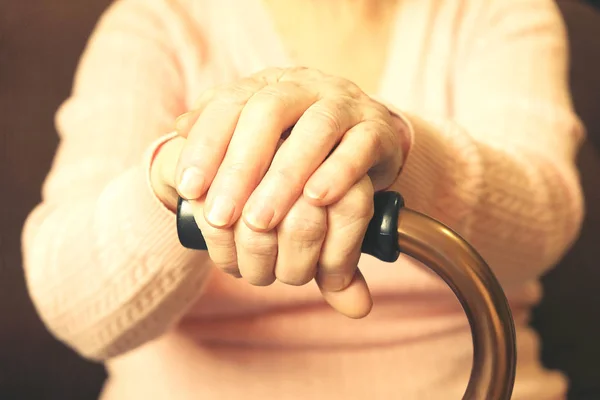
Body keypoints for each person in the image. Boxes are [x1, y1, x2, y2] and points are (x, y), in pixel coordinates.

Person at [21, 0, 584, 398]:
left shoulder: (499, 11)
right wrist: (178, 182)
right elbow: (78, 309)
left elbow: (541, 227)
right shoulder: (153, 22)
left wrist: (401, 152)